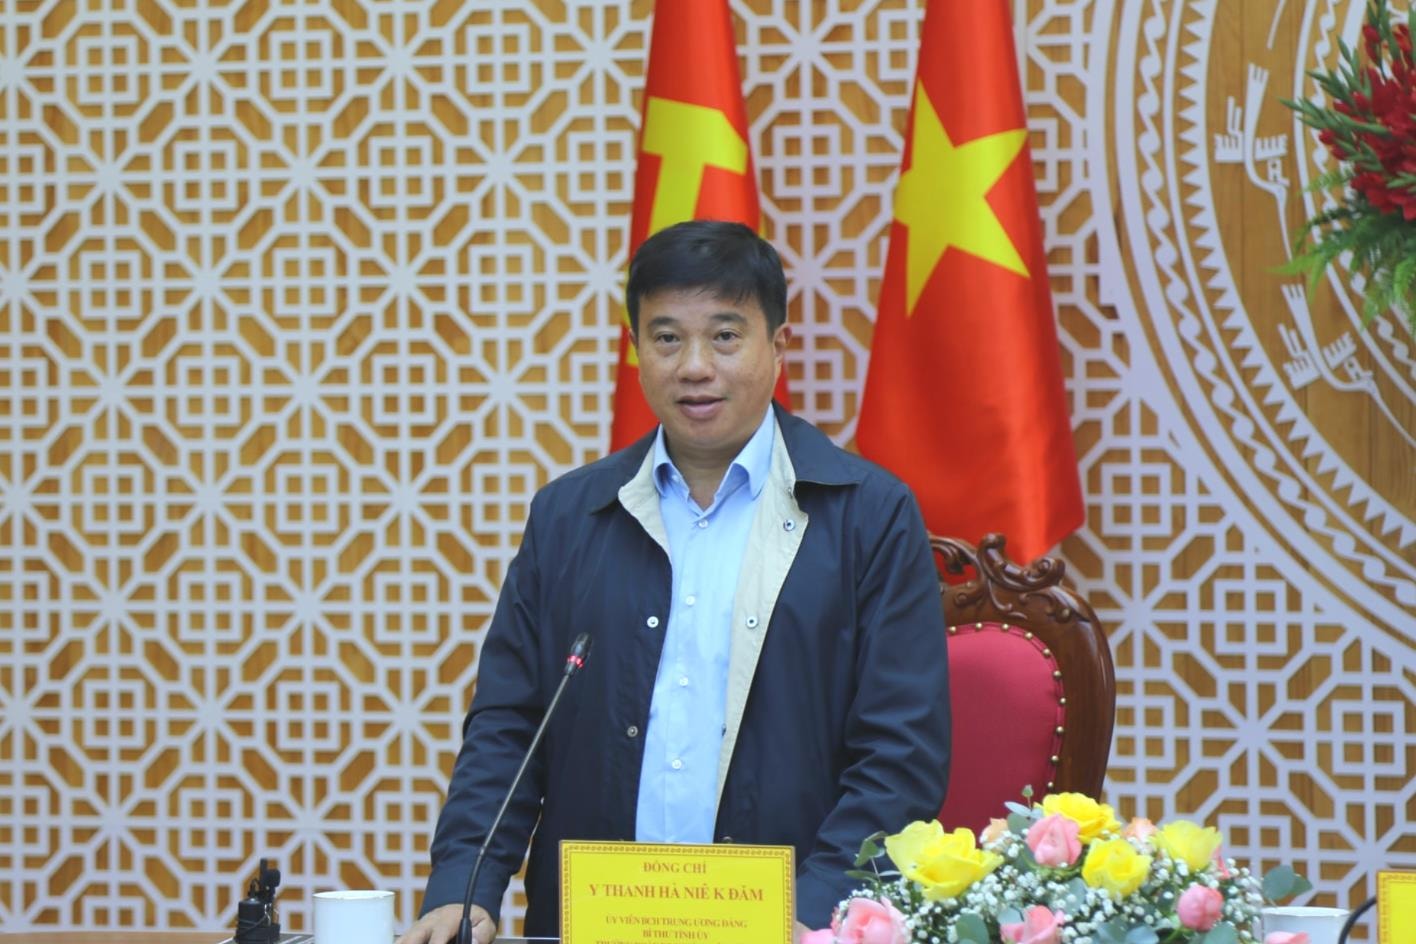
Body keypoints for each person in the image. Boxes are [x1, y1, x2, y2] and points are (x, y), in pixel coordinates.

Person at [401, 220, 950, 944]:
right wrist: (464, 886)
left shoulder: (867, 516)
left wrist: (817, 910)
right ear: (636, 350)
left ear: (778, 346)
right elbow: (509, 725)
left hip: (787, 928)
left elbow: (900, 755)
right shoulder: (569, 516)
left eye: (724, 336)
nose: (694, 366)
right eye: (666, 338)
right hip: (594, 925)